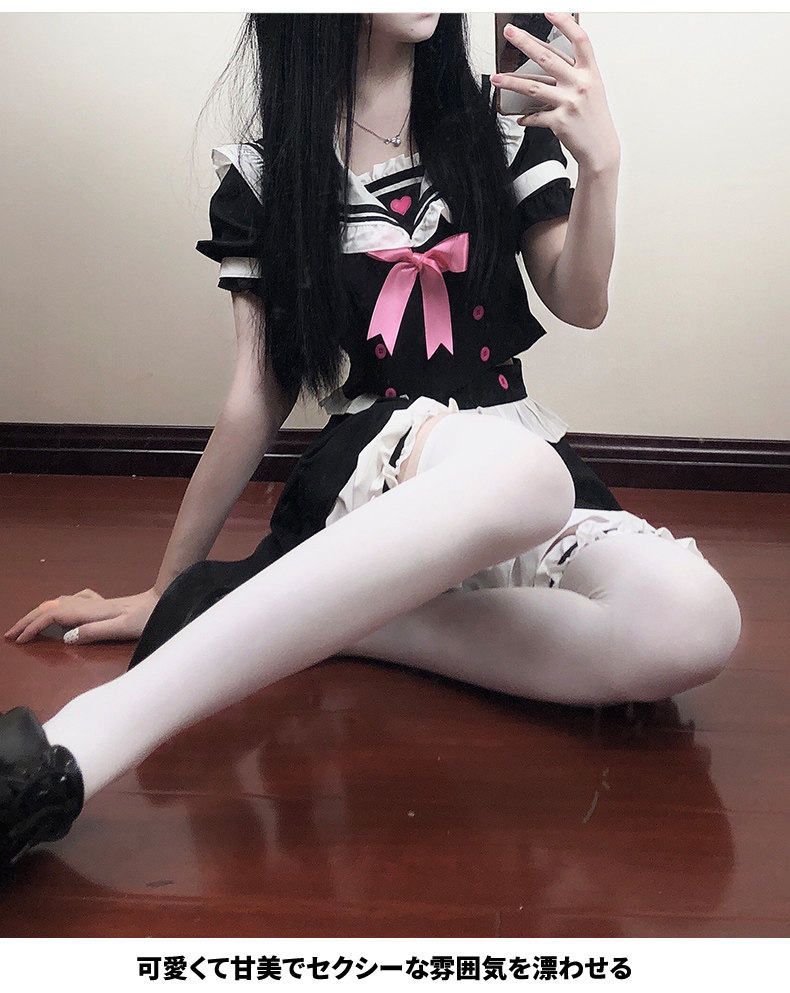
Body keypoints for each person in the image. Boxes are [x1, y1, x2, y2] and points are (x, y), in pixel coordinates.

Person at [0, 13, 741, 869]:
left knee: (695, 622)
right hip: (383, 457)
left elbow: (582, 301)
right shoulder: (270, 175)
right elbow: (255, 394)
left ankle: (342, 620)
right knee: (526, 479)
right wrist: (167, 584)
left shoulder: (499, 127)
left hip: (510, 447)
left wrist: (602, 165)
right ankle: (84, 740)